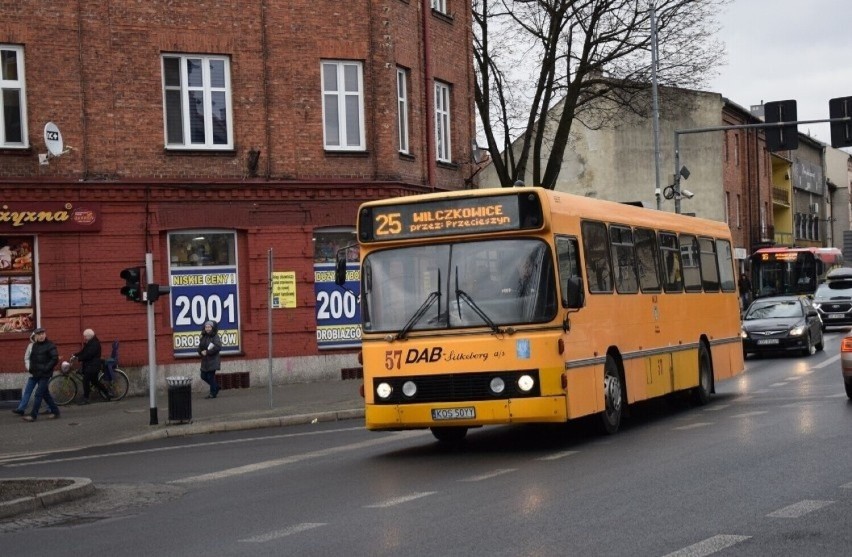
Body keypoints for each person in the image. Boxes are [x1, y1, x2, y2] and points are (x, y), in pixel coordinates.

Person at [23, 327, 60, 421]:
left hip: (45, 374)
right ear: (35, 336)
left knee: (38, 394)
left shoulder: (50, 345)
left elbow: (54, 358)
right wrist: (31, 369)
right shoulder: (34, 346)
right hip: (36, 373)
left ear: (45, 334)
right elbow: (32, 359)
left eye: (43, 334)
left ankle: (33, 415)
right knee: (45, 394)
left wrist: (46, 368)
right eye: (39, 334)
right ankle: (56, 412)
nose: (41, 336)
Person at [70, 328, 109, 404]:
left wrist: (78, 358)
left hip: (93, 366)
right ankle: (107, 393)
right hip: (90, 365)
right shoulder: (90, 342)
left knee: (86, 381)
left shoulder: (95, 344)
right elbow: (83, 351)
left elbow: (89, 355)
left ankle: (86, 398)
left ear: (89, 336)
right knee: (95, 382)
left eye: (85, 336)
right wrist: (75, 354)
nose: (84, 338)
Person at [12, 331, 38, 415]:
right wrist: (29, 368)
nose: (36, 338)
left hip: (42, 374)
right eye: (35, 337)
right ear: (33, 337)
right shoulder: (30, 346)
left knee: (44, 392)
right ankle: (21, 409)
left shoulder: (45, 346)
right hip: (33, 373)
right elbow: (26, 358)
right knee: (28, 391)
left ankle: (51, 408)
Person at [198, 320, 222, 399]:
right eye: (206, 327)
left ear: (212, 328)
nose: (207, 329)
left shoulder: (215, 336)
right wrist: (201, 352)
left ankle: (212, 394)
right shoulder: (203, 336)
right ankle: (216, 386)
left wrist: (207, 352)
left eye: (209, 327)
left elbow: (218, 347)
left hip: (213, 360)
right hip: (205, 361)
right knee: (203, 376)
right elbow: (199, 347)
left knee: (210, 377)